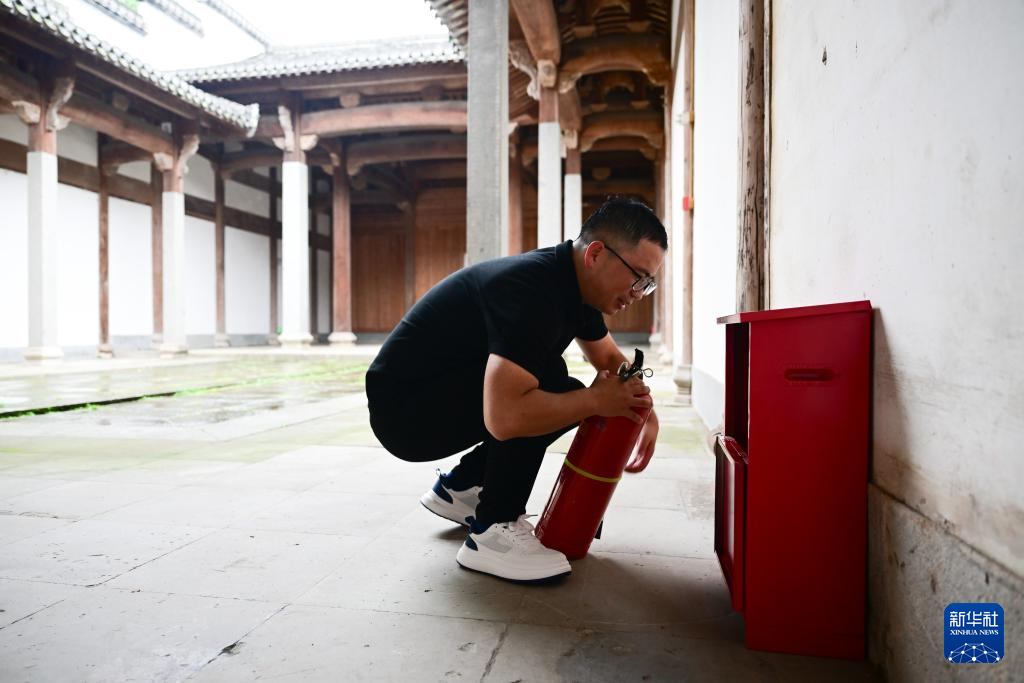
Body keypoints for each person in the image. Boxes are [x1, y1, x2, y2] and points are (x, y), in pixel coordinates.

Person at [365, 197, 667, 582]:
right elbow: (506, 417)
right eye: (638, 277)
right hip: (406, 412)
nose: (639, 292)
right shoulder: (534, 291)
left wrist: (644, 408)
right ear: (595, 254)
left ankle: (464, 487)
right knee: (552, 382)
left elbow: (608, 358)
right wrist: (595, 400)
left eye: (648, 284)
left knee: (562, 388)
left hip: (429, 395)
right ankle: (492, 531)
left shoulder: (575, 287)